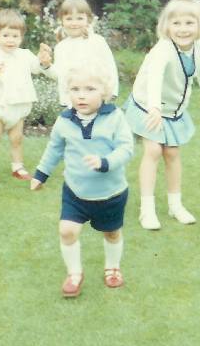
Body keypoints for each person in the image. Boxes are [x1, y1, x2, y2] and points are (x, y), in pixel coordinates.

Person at [30, 61, 133, 298]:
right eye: (75, 89)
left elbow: (126, 148)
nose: (81, 96)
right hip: (75, 192)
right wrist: (41, 174)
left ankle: (112, 268)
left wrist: (105, 162)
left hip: (110, 193)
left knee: (112, 233)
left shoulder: (115, 117)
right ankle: (74, 274)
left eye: (89, 89)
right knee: (67, 231)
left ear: (104, 92)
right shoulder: (64, 121)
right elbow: (54, 149)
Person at [124, 0, 200, 230]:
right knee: (153, 151)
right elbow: (155, 77)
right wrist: (154, 108)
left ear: (199, 25)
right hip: (148, 105)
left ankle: (175, 205)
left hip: (174, 110)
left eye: (189, 23)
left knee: (173, 154)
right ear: (167, 26)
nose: (183, 29)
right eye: (176, 23)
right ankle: (147, 211)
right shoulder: (163, 50)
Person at [0, 9, 54, 183]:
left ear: (21, 37)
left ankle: (18, 167)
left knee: (17, 139)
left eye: (15, 36)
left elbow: (36, 68)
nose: (10, 40)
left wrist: (42, 60)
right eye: (6, 35)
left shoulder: (24, 55)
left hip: (18, 105)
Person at [45, 0, 119, 107]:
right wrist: (46, 66)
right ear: (62, 21)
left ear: (88, 19)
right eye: (69, 19)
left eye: (79, 18)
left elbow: (110, 67)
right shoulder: (61, 47)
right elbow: (59, 75)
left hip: (97, 99)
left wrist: (112, 92)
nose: (74, 23)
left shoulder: (97, 41)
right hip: (72, 101)